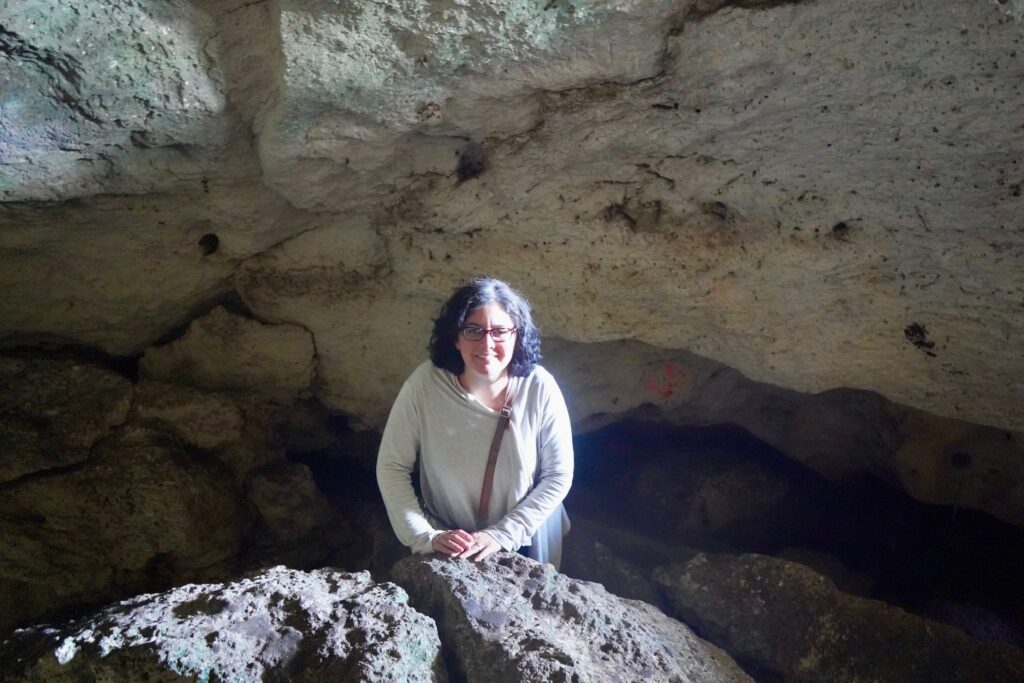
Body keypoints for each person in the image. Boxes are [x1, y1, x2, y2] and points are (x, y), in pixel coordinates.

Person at [376, 277, 573, 568]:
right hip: (450, 541)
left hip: (526, 540)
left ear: (516, 334)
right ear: (455, 337)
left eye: (500, 331)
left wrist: (504, 534)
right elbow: (392, 465)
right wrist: (424, 536)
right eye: (473, 330)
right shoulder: (426, 384)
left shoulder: (539, 387)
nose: (487, 343)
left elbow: (558, 474)